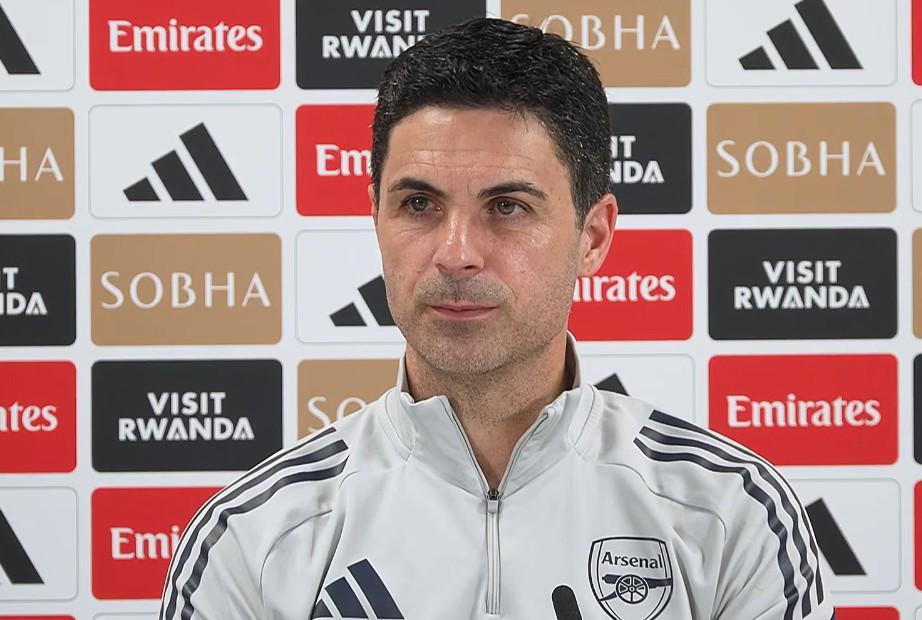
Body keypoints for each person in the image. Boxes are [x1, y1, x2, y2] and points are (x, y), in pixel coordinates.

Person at [160, 17, 833, 620]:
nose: (456, 253)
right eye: (419, 205)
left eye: (507, 207)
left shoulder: (732, 515)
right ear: (376, 218)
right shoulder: (253, 536)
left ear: (593, 237)